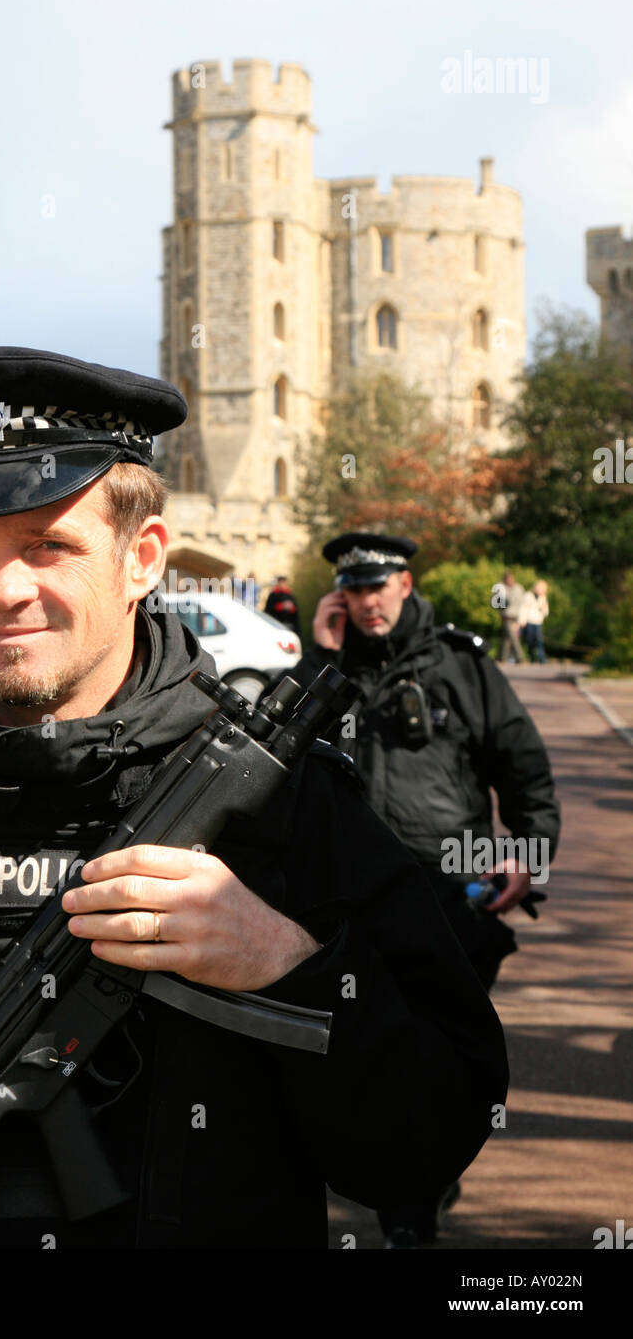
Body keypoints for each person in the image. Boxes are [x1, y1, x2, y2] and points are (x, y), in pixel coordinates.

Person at [0, 352, 507, 1251]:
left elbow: (423, 1142)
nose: (4, 589)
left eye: (49, 545)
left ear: (141, 557)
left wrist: (286, 962)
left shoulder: (287, 807)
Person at [273, 531, 560, 1246]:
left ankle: (415, 1200)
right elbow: (277, 755)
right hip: (349, 902)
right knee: (356, 1043)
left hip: (444, 892)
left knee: (435, 1050)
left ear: (405, 584)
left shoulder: (461, 664)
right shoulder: (331, 667)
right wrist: (322, 654)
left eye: (379, 587)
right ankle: (400, 1180)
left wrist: (528, 853)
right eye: (354, 590)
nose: (367, 603)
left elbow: (522, 765)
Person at [495, 570, 525, 663]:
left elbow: (522, 603)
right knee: (513, 637)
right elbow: (498, 603)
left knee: (506, 638)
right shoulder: (501, 587)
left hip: (515, 616)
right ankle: (520, 657)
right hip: (506, 617)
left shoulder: (519, 588)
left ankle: (501, 657)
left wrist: (522, 618)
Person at [519, 579, 549, 664]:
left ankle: (542, 659)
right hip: (529, 621)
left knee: (539, 641)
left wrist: (544, 606)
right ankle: (532, 657)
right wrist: (522, 620)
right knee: (530, 641)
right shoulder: (528, 596)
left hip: (538, 622)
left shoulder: (543, 598)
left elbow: (546, 613)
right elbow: (523, 609)